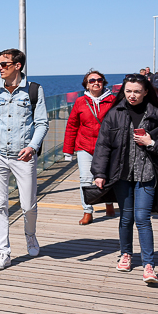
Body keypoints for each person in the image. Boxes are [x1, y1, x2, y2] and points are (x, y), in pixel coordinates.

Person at [92, 74, 158, 284]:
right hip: (121, 174)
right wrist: (99, 173)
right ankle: (126, 254)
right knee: (126, 217)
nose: (132, 95)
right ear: (123, 91)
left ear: (146, 92)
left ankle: (149, 265)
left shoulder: (157, 114)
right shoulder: (114, 113)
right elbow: (103, 145)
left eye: (137, 91)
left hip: (147, 173)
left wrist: (152, 143)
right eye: (128, 91)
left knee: (142, 219)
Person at [0, 48, 49, 271]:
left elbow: (42, 123)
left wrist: (32, 147)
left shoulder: (34, 90)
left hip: (23, 157)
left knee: (28, 205)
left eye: (4, 64)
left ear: (17, 66)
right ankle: (4, 252)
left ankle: (30, 236)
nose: (0, 68)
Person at [63, 70, 116, 224]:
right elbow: (72, 126)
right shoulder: (80, 102)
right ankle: (87, 211)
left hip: (106, 147)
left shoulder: (113, 100)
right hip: (84, 146)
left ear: (103, 82)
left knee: (107, 178)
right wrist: (68, 151)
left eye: (99, 80)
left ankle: (109, 203)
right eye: (92, 80)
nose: (96, 83)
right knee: (85, 179)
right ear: (86, 85)